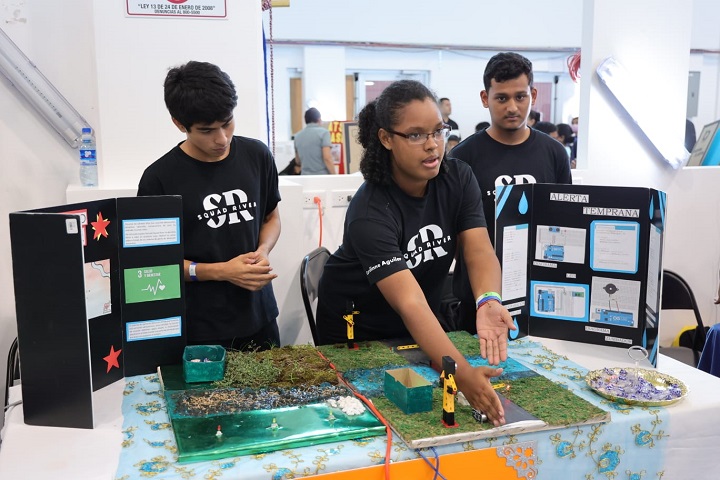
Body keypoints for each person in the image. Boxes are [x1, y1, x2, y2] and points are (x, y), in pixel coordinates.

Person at [316, 79, 515, 427]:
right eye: (416, 135)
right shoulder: (369, 211)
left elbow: (479, 249)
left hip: (417, 327)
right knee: (380, 423)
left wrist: (489, 300)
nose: (432, 145)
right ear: (386, 139)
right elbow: (410, 302)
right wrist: (463, 374)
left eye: (438, 131)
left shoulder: (458, 177)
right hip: (357, 333)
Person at [137, 61, 282, 351]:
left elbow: (271, 217)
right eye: (207, 130)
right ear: (179, 124)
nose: (222, 138)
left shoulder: (256, 155)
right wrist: (222, 271)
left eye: (227, 123)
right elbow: (153, 267)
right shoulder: (159, 179)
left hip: (260, 316)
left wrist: (262, 251)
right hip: (201, 331)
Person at [451, 52, 572, 333]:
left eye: (520, 96)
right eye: (501, 98)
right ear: (485, 98)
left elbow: (565, 221)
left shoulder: (554, 153)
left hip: (539, 294)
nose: (512, 107)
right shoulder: (462, 157)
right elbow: (454, 233)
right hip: (478, 299)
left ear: (533, 94)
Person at [294, 107, 335, 175]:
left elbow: (298, 161)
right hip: (321, 178)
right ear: (319, 119)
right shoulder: (324, 133)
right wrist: (335, 176)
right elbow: (327, 158)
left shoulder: (297, 136)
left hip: (304, 177)